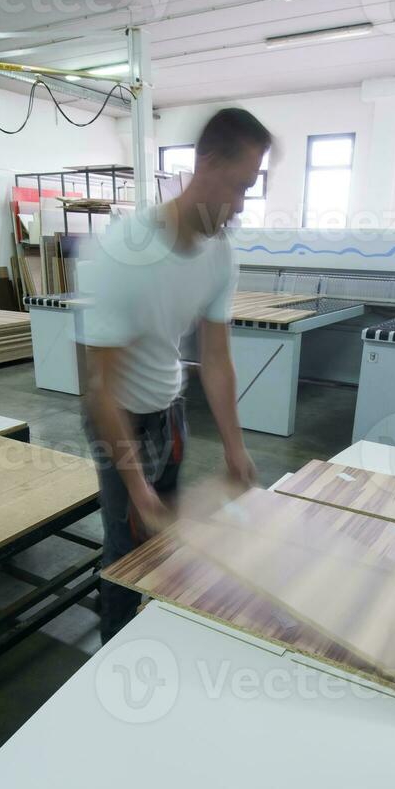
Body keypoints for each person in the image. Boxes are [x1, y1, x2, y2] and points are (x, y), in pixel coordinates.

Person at [80, 107, 272, 643]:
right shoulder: (124, 252)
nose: (238, 207)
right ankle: (114, 652)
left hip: (170, 409)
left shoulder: (220, 253)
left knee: (166, 539)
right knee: (128, 545)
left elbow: (217, 359)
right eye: (236, 187)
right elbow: (100, 389)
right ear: (203, 162)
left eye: (249, 191)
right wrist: (138, 489)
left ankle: (154, 624)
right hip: (118, 421)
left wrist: (234, 448)